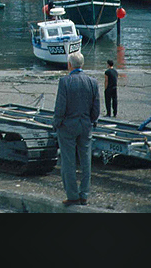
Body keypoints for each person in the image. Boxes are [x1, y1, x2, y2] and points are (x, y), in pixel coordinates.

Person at [52, 53, 100, 206]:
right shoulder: (92, 82)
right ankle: (84, 195)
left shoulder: (65, 82)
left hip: (67, 126)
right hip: (85, 124)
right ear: (82, 65)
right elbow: (96, 107)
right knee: (86, 161)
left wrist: (57, 123)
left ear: (69, 65)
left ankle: (72, 196)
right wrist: (91, 121)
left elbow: (60, 106)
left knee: (68, 162)